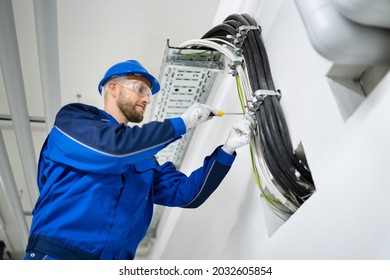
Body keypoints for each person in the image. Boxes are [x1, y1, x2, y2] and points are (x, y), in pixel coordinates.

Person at [24, 60, 254, 260]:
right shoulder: (74, 121)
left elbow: (187, 194)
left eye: (148, 94)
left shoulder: (144, 161)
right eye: (140, 89)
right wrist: (181, 124)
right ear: (113, 88)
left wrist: (227, 149)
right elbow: (113, 150)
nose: (147, 99)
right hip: (59, 257)